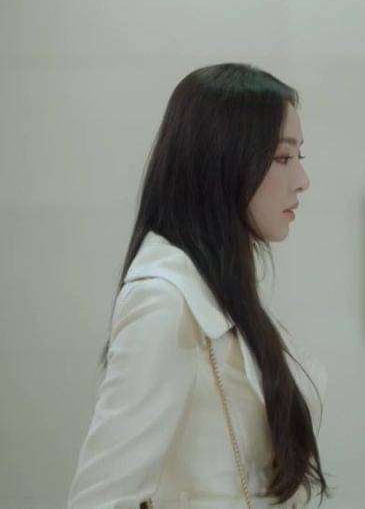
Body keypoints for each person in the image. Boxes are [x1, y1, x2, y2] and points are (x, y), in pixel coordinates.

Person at [69, 64, 329, 508]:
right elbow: (100, 498)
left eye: (298, 157)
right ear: (223, 161)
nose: (302, 180)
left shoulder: (220, 290)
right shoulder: (164, 299)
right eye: (283, 158)